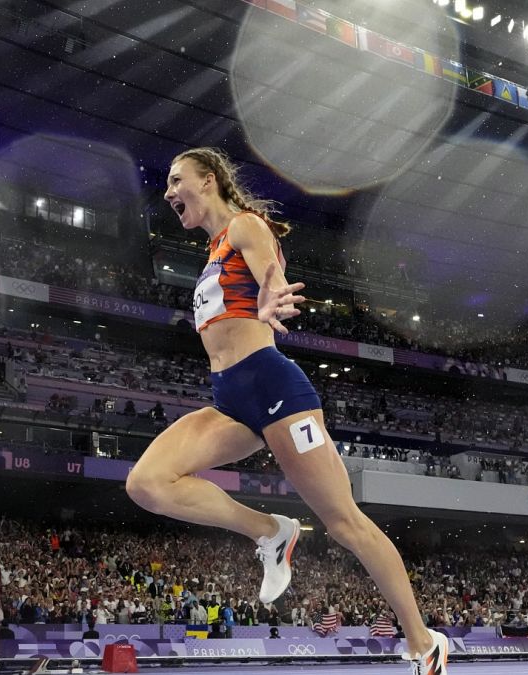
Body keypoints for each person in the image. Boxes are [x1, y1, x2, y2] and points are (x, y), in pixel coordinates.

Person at [125, 147, 448, 674]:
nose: (168, 192)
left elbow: (270, 272)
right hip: (230, 399)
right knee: (148, 485)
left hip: (274, 387)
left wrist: (272, 296)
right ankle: (270, 531)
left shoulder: (245, 227)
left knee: (345, 523)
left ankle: (422, 640)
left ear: (208, 181)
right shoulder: (209, 254)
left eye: (176, 179)